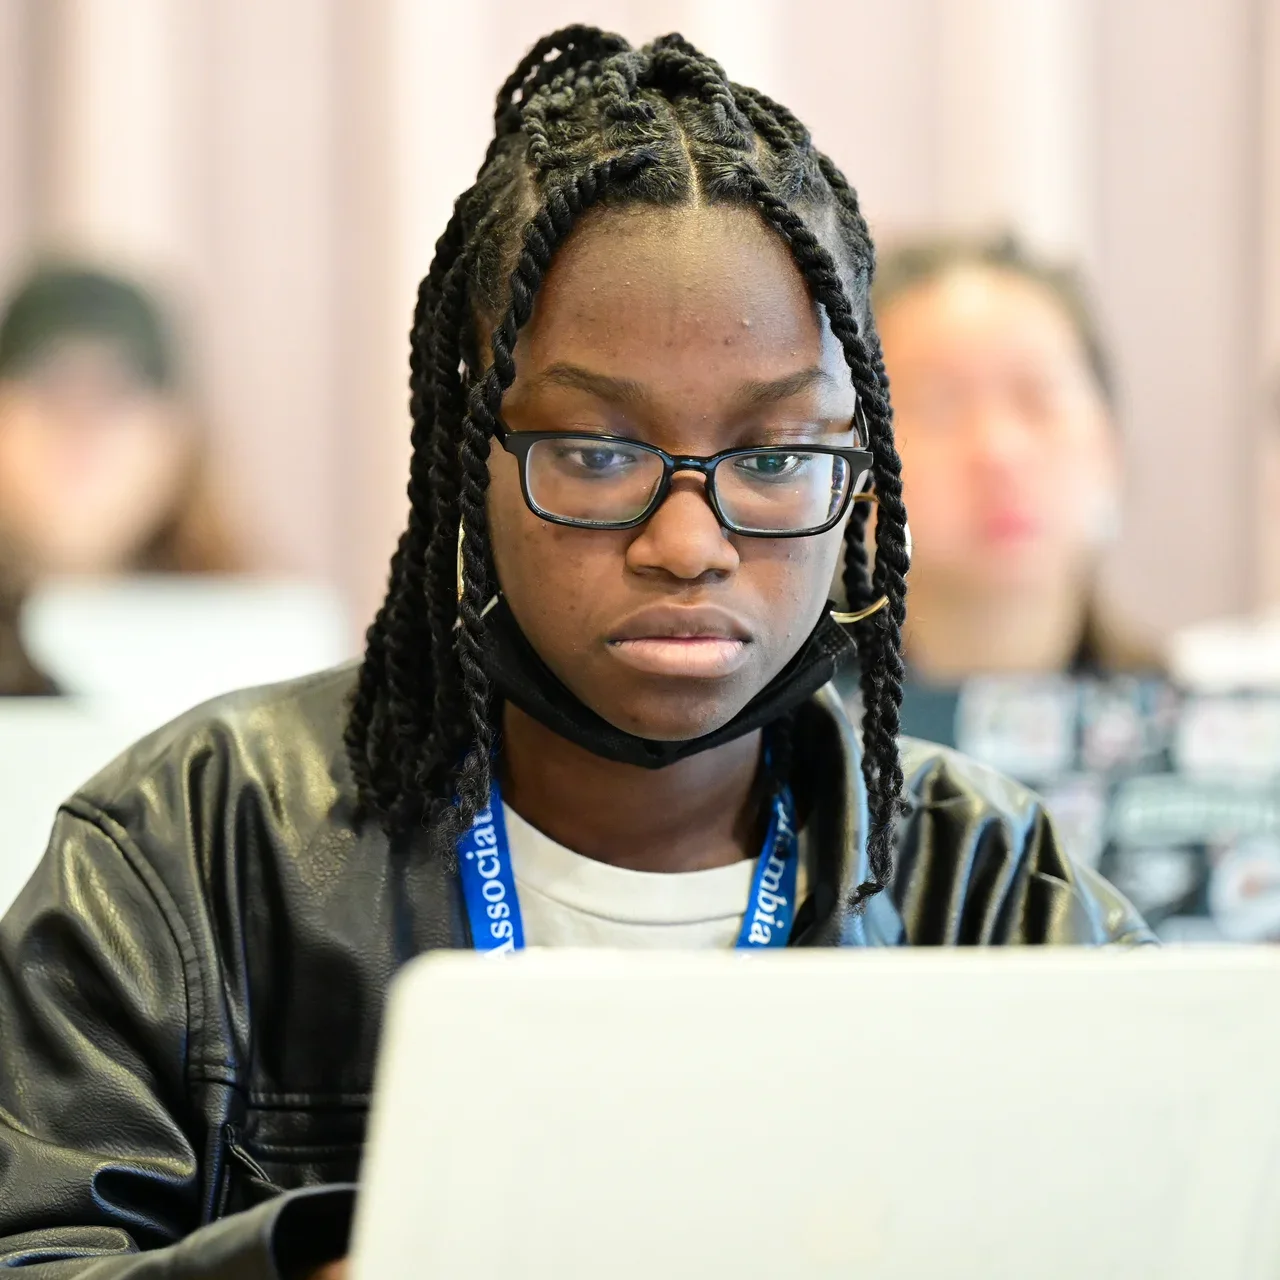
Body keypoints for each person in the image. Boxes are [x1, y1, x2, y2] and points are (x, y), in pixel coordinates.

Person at [0, 29, 1151, 1279]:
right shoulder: (198, 844)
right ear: (466, 458)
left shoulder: (985, 886)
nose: (686, 541)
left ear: (856, 474)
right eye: (596, 451)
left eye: (772, 459)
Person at [874, 236, 1159, 681]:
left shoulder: (1198, 728)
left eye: (1038, 398)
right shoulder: (795, 738)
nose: (998, 451)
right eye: (938, 406)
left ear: (1110, 444)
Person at [0, 265, 240, 692]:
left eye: (116, 394)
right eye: (48, 388)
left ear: (176, 436)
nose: (79, 424)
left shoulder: (252, 645)